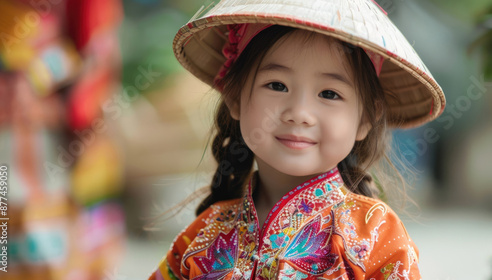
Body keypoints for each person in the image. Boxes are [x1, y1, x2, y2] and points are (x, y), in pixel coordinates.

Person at [148, 0, 446, 279]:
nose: (299, 113)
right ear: (235, 98)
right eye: (276, 85)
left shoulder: (376, 234)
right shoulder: (204, 232)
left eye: (329, 94)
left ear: (365, 118)